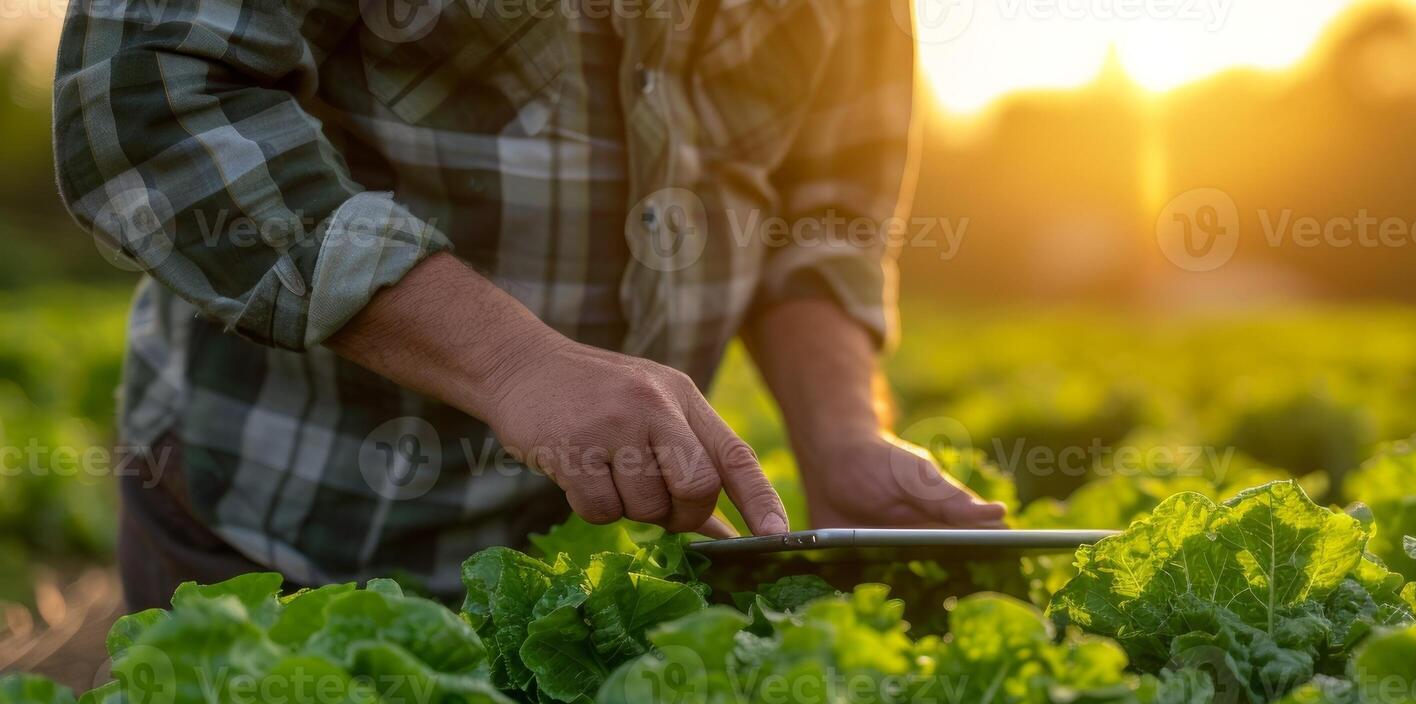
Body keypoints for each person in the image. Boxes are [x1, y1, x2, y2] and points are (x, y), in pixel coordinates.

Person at [52, 0, 1004, 611]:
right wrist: (515, 364)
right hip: (286, 523)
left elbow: (826, 204)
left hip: (602, 568)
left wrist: (838, 434)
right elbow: (145, 98)